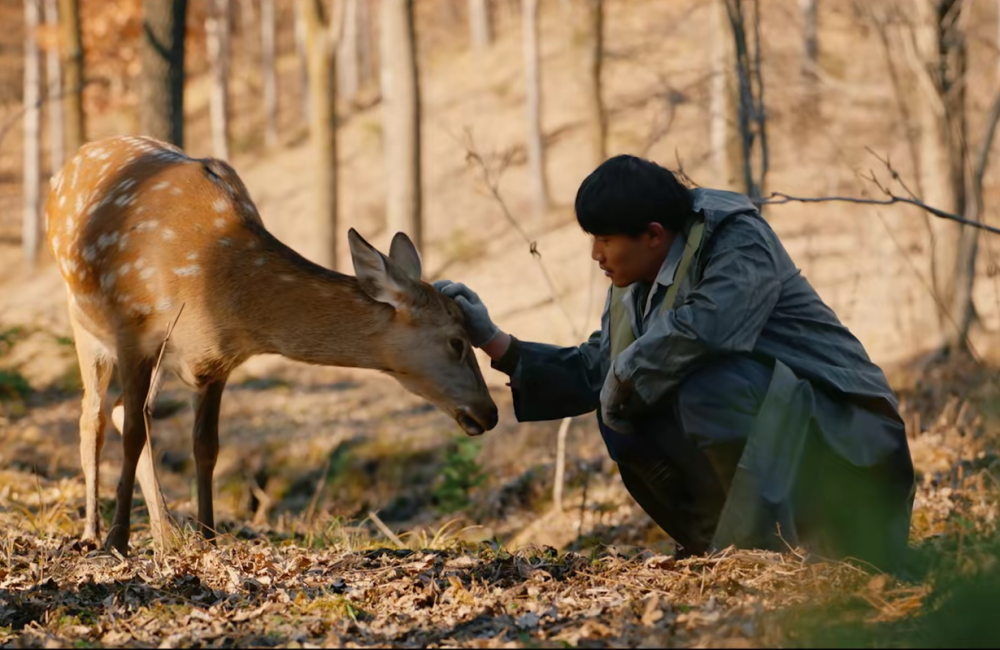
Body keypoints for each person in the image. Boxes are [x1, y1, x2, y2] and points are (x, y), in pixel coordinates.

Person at [434, 154, 916, 573]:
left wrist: (621, 376)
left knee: (698, 384)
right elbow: (596, 369)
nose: (596, 255)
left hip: (852, 445)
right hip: (782, 436)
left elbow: (705, 332)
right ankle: (724, 552)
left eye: (605, 239)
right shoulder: (634, 278)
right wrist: (492, 340)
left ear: (653, 234)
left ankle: (773, 554)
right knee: (624, 410)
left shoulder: (738, 241)